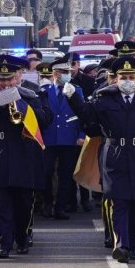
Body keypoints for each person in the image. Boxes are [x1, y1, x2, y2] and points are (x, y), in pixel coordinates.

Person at [65, 56, 135, 262]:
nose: (127, 81)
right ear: (115, 78)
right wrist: (74, 98)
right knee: (118, 201)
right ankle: (120, 244)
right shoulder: (104, 97)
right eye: (123, 77)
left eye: (131, 77)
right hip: (114, 155)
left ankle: (133, 244)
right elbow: (89, 118)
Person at [0, 55, 49, 258]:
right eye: (1, 80)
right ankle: (2, 243)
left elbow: (44, 119)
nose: (6, 83)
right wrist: (2, 101)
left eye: (10, 79)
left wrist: (20, 104)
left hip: (24, 153)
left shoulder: (32, 95)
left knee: (23, 201)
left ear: (19, 77)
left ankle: (22, 238)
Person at [42, 57, 84, 220]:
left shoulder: (76, 90)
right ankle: (47, 202)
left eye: (68, 72)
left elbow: (82, 113)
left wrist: (81, 135)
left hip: (69, 137)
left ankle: (60, 206)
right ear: (55, 74)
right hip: (49, 138)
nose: (67, 75)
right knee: (46, 172)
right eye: (64, 72)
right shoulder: (45, 91)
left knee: (65, 174)